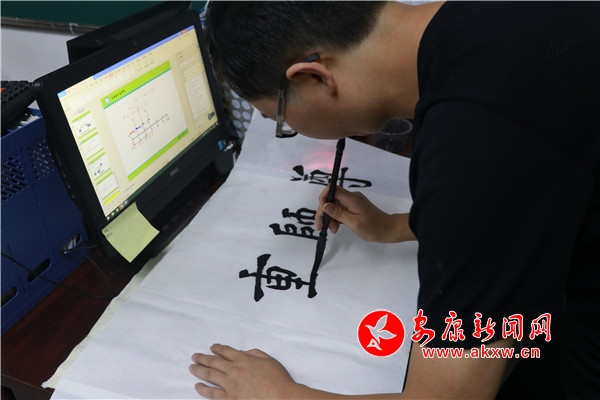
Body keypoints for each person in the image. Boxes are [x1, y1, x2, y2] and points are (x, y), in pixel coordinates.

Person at [189, 1, 600, 398]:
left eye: (279, 117)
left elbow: (449, 397)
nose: (288, 127)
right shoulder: (492, 18)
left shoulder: (471, 141)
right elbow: (526, 194)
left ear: (314, 77)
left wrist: (279, 395)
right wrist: (401, 226)